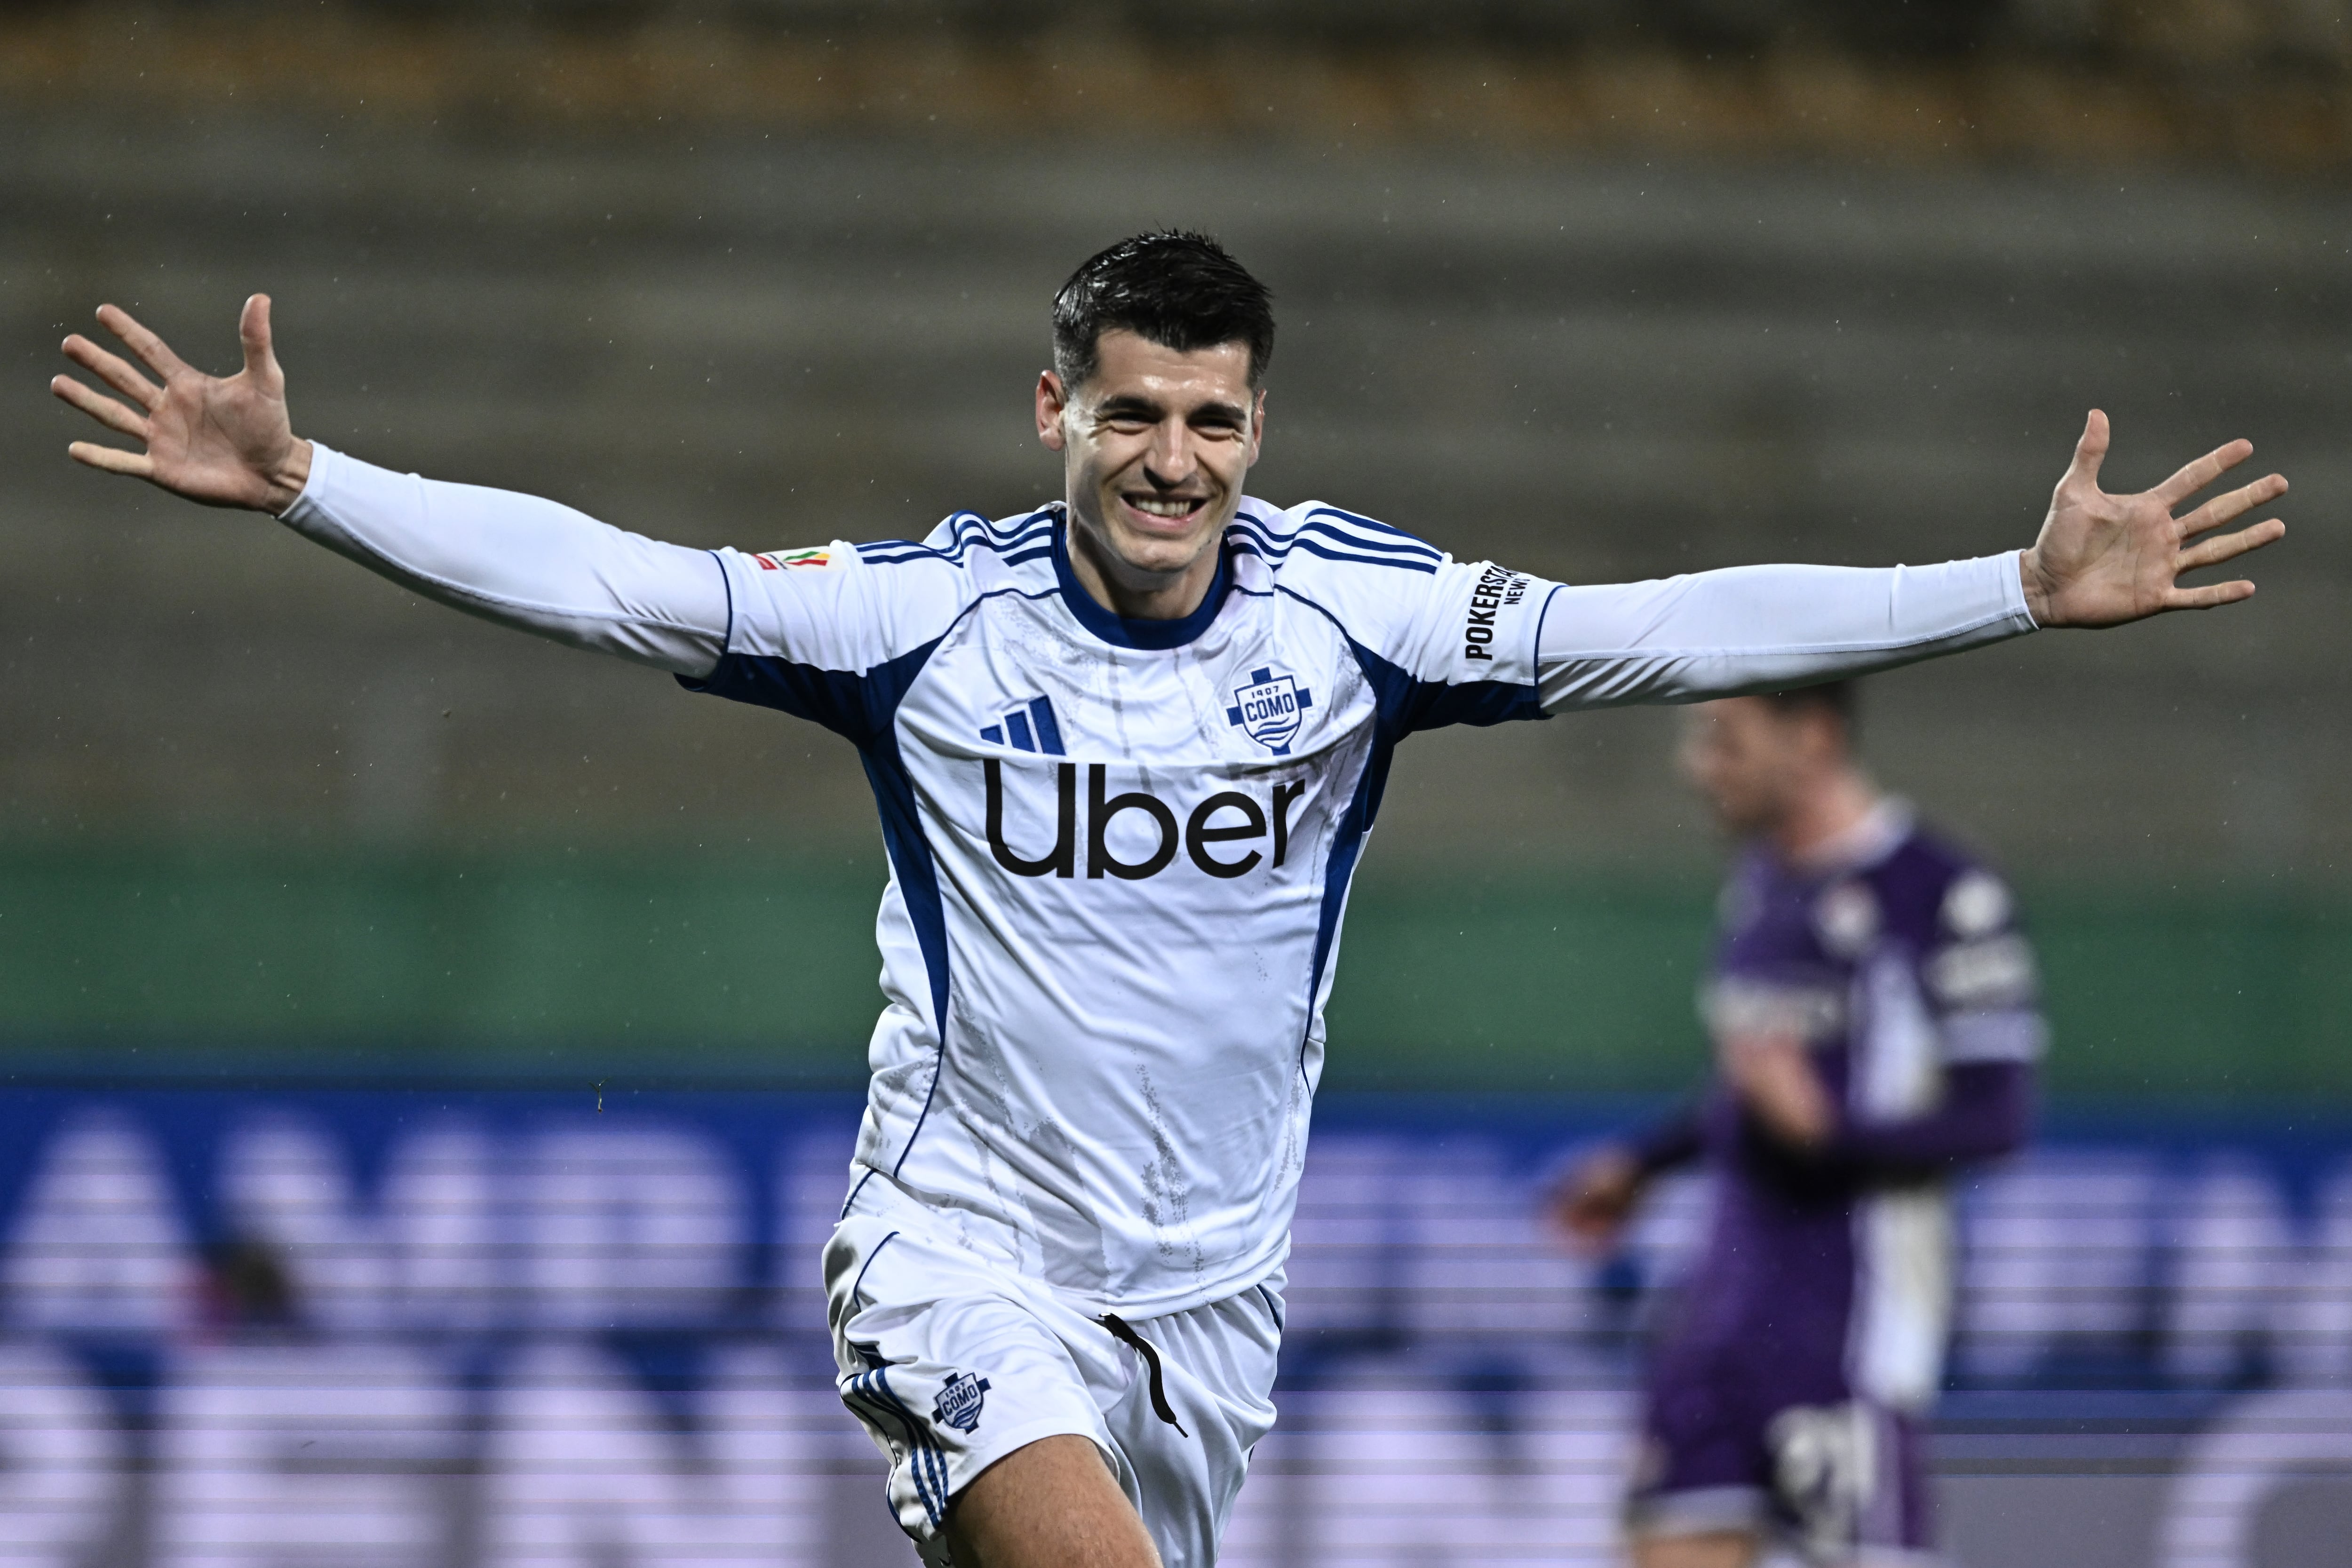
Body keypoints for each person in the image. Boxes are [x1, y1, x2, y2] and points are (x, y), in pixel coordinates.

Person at [50, 231, 2280, 1568]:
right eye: (1132, 413)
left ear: (1259, 423)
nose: (1174, 462)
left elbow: (1664, 621)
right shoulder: (919, 625)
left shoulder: (1356, 624)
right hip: (962, 1254)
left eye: (1215, 420)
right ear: (1052, 409)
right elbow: (624, 588)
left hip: (1208, 1306)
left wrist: (2007, 585)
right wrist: (311, 484)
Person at [1552, 683, 2044, 1568]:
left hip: (1847, 1338)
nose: (1697, 768)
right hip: (1720, 1322)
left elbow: (1996, 1115)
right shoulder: (1761, 887)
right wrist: (1646, 1163)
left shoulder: (1937, 891)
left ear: (1812, 737)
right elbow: (1756, 1088)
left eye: (1722, 741)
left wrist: (1833, 1135)